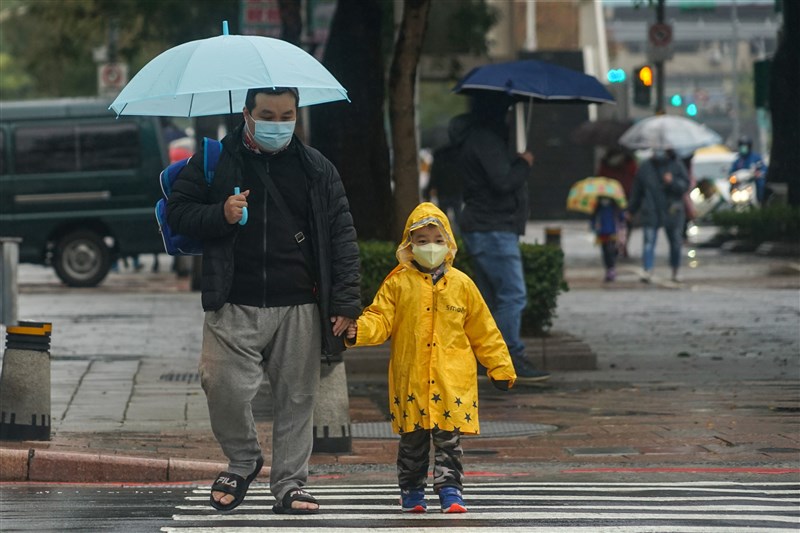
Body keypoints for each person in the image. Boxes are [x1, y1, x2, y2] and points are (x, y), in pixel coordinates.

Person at [167, 87, 361, 514]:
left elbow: (342, 236)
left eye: (287, 115)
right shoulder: (215, 160)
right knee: (221, 385)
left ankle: (290, 484)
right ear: (247, 114)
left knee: (297, 398)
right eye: (268, 115)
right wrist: (221, 213)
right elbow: (178, 212)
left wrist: (346, 304)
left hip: (300, 302)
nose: (278, 124)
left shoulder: (316, 167)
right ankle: (243, 459)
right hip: (233, 299)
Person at [345, 202, 517, 514]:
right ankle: (411, 490)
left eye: (438, 240)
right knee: (412, 442)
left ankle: (451, 491)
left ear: (449, 243)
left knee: (449, 441)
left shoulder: (462, 285)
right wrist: (359, 331)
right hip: (411, 379)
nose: (431, 247)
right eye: (422, 241)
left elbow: (484, 331)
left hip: (451, 382)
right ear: (409, 245)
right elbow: (380, 319)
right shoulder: (397, 284)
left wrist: (500, 367)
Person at [447, 92, 549, 381]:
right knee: (512, 296)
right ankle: (508, 357)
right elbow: (503, 181)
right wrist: (523, 164)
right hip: (493, 227)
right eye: (506, 110)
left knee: (492, 299)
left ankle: (490, 358)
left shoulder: (476, 138)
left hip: (486, 225)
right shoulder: (485, 140)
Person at [627, 148, 690, 283]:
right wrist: (631, 210)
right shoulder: (645, 167)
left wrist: (672, 182)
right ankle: (647, 269)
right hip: (651, 209)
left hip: (672, 210)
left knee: (675, 242)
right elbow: (637, 190)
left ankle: (675, 270)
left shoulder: (676, 164)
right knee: (648, 241)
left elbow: (685, 185)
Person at [597, 147, 638, 258]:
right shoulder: (628, 163)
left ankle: (617, 246)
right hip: (620, 197)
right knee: (623, 223)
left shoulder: (607, 163)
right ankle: (619, 246)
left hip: (616, 197)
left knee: (619, 223)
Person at [424, 143, 463, 234]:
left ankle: (445, 235)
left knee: (443, 217)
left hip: (443, 191)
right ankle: (458, 236)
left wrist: (427, 191)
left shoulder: (439, 159)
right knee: (458, 216)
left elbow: (433, 176)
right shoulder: (458, 158)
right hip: (456, 191)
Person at [591, 196, 626, 282]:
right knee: (605, 252)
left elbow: (621, 217)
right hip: (603, 233)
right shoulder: (598, 205)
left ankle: (611, 269)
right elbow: (593, 218)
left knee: (610, 251)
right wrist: (593, 227)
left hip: (612, 233)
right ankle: (609, 269)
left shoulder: (614, 205)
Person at [729, 135, 768, 204]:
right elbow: (732, 171)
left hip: (752, 182)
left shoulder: (756, 158)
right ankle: (730, 202)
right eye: (742, 146)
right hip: (740, 184)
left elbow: (763, 168)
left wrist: (759, 173)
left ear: (749, 146)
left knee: (761, 184)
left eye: (745, 146)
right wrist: (731, 176)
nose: (743, 148)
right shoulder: (738, 160)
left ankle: (761, 201)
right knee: (730, 186)